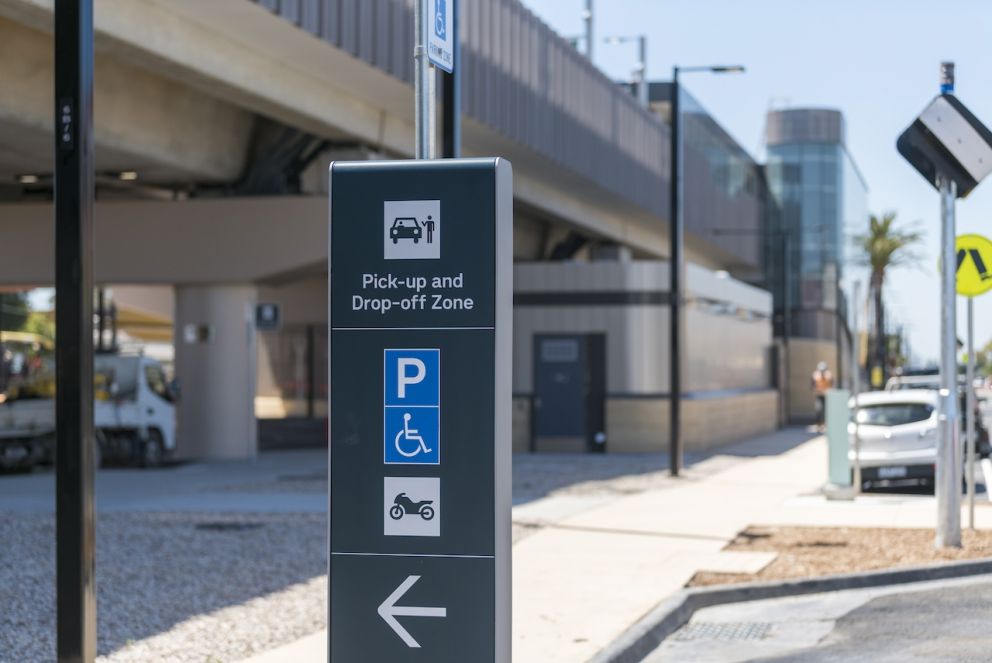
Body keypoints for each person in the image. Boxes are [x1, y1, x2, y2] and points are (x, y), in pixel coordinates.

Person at [811, 361, 834, 430]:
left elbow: (832, 384)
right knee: (818, 409)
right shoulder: (815, 375)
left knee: (827, 410)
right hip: (819, 395)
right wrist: (816, 391)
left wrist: (828, 391)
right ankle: (819, 424)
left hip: (827, 396)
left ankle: (825, 424)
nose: (822, 372)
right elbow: (812, 385)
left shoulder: (829, 375)